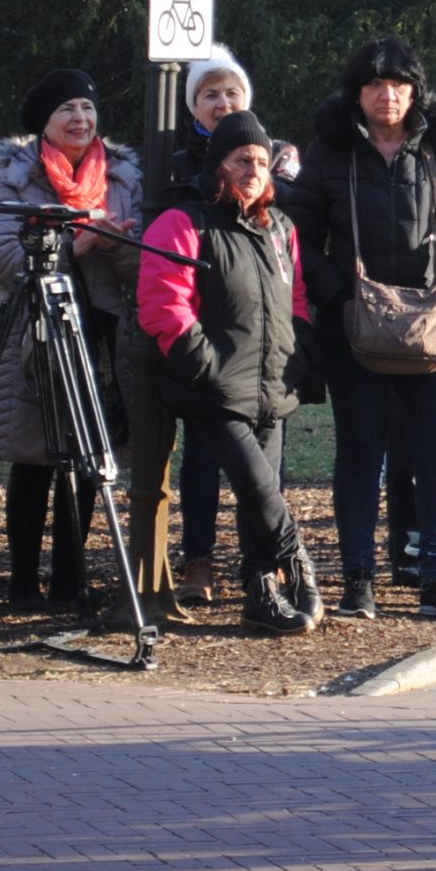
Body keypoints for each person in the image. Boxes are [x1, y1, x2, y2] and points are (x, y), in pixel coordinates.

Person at [288, 37, 436, 622]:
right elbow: (298, 237)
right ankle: (359, 579)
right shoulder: (330, 151)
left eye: (399, 85)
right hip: (353, 329)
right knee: (360, 451)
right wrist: (340, 295)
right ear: (357, 92)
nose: (388, 96)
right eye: (376, 85)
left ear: (415, 91)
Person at [138, 111, 324, 633]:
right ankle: (300, 565)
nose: (253, 169)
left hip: (272, 386)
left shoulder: (278, 228)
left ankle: (260, 591)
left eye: (263, 161)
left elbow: (299, 300)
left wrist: (299, 352)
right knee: (262, 491)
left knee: (257, 497)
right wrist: (207, 367)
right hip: (215, 391)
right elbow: (162, 305)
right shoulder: (183, 222)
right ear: (218, 164)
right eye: (242, 159)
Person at [0, 70, 147, 610]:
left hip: (96, 330)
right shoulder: (14, 179)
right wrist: (76, 243)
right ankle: (23, 581)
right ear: (44, 125)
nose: (80, 118)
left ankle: (70, 582)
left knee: (85, 458)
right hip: (33, 331)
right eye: (67, 110)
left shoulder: (121, 177)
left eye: (87, 107)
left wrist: (115, 245)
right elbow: (2, 260)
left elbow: (141, 261)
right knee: (33, 460)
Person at [151, 45, 290, 617]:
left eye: (231, 92)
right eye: (210, 93)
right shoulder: (176, 169)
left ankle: (267, 572)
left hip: (263, 349)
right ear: (193, 106)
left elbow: (287, 258)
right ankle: (198, 559)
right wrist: (201, 360)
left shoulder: (271, 167)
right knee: (203, 463)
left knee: (264, 474)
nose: (221, 101)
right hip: (209, 352)